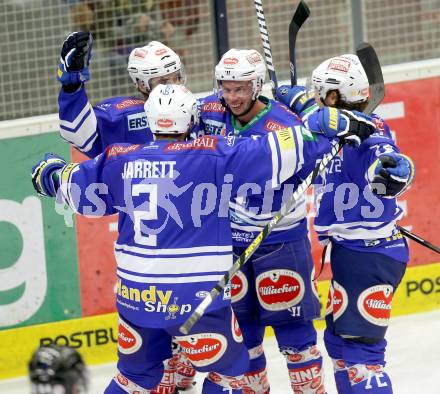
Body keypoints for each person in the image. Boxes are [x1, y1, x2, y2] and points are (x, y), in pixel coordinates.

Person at [31, 83, 350, 393]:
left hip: (136, 298)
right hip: (195, 299)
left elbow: (68, 184)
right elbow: (281, 149)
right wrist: (319, 120)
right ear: (192, 119)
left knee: (133, 379)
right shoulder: (213, 155)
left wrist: (49, 170)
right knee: (230, 375)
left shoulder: (120, 159)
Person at [194, 48, 376, 393]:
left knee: (296, 336)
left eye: (241, 89)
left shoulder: (285, 122)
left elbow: (325, 149)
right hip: (231, 241)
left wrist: (311, 112)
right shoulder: (209, 112)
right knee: (243, 332)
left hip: (281, 242)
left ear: (257, 85)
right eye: (226, 88)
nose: (232, 97)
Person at [57, 32, 194, 393]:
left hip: (196, 252)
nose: (171, 86)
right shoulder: (124, 115)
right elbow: (79, 133)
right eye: (160, 81)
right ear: (139, 84)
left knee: (192, 365)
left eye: (175, 76)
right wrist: (72, 88)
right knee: (157, 372)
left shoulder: (198, 106)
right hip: (147, 256)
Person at [275, 54, 416, 393]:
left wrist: (394, 170)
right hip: (352, 253)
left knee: (362, 357)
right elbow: (320, 119)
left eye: (321, 92)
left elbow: (383, 158)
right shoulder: (338, 124)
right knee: (339, 346)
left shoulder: (367, 131)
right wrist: (298, 100)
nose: (317, 96)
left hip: (369, 258)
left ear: (335, 96)